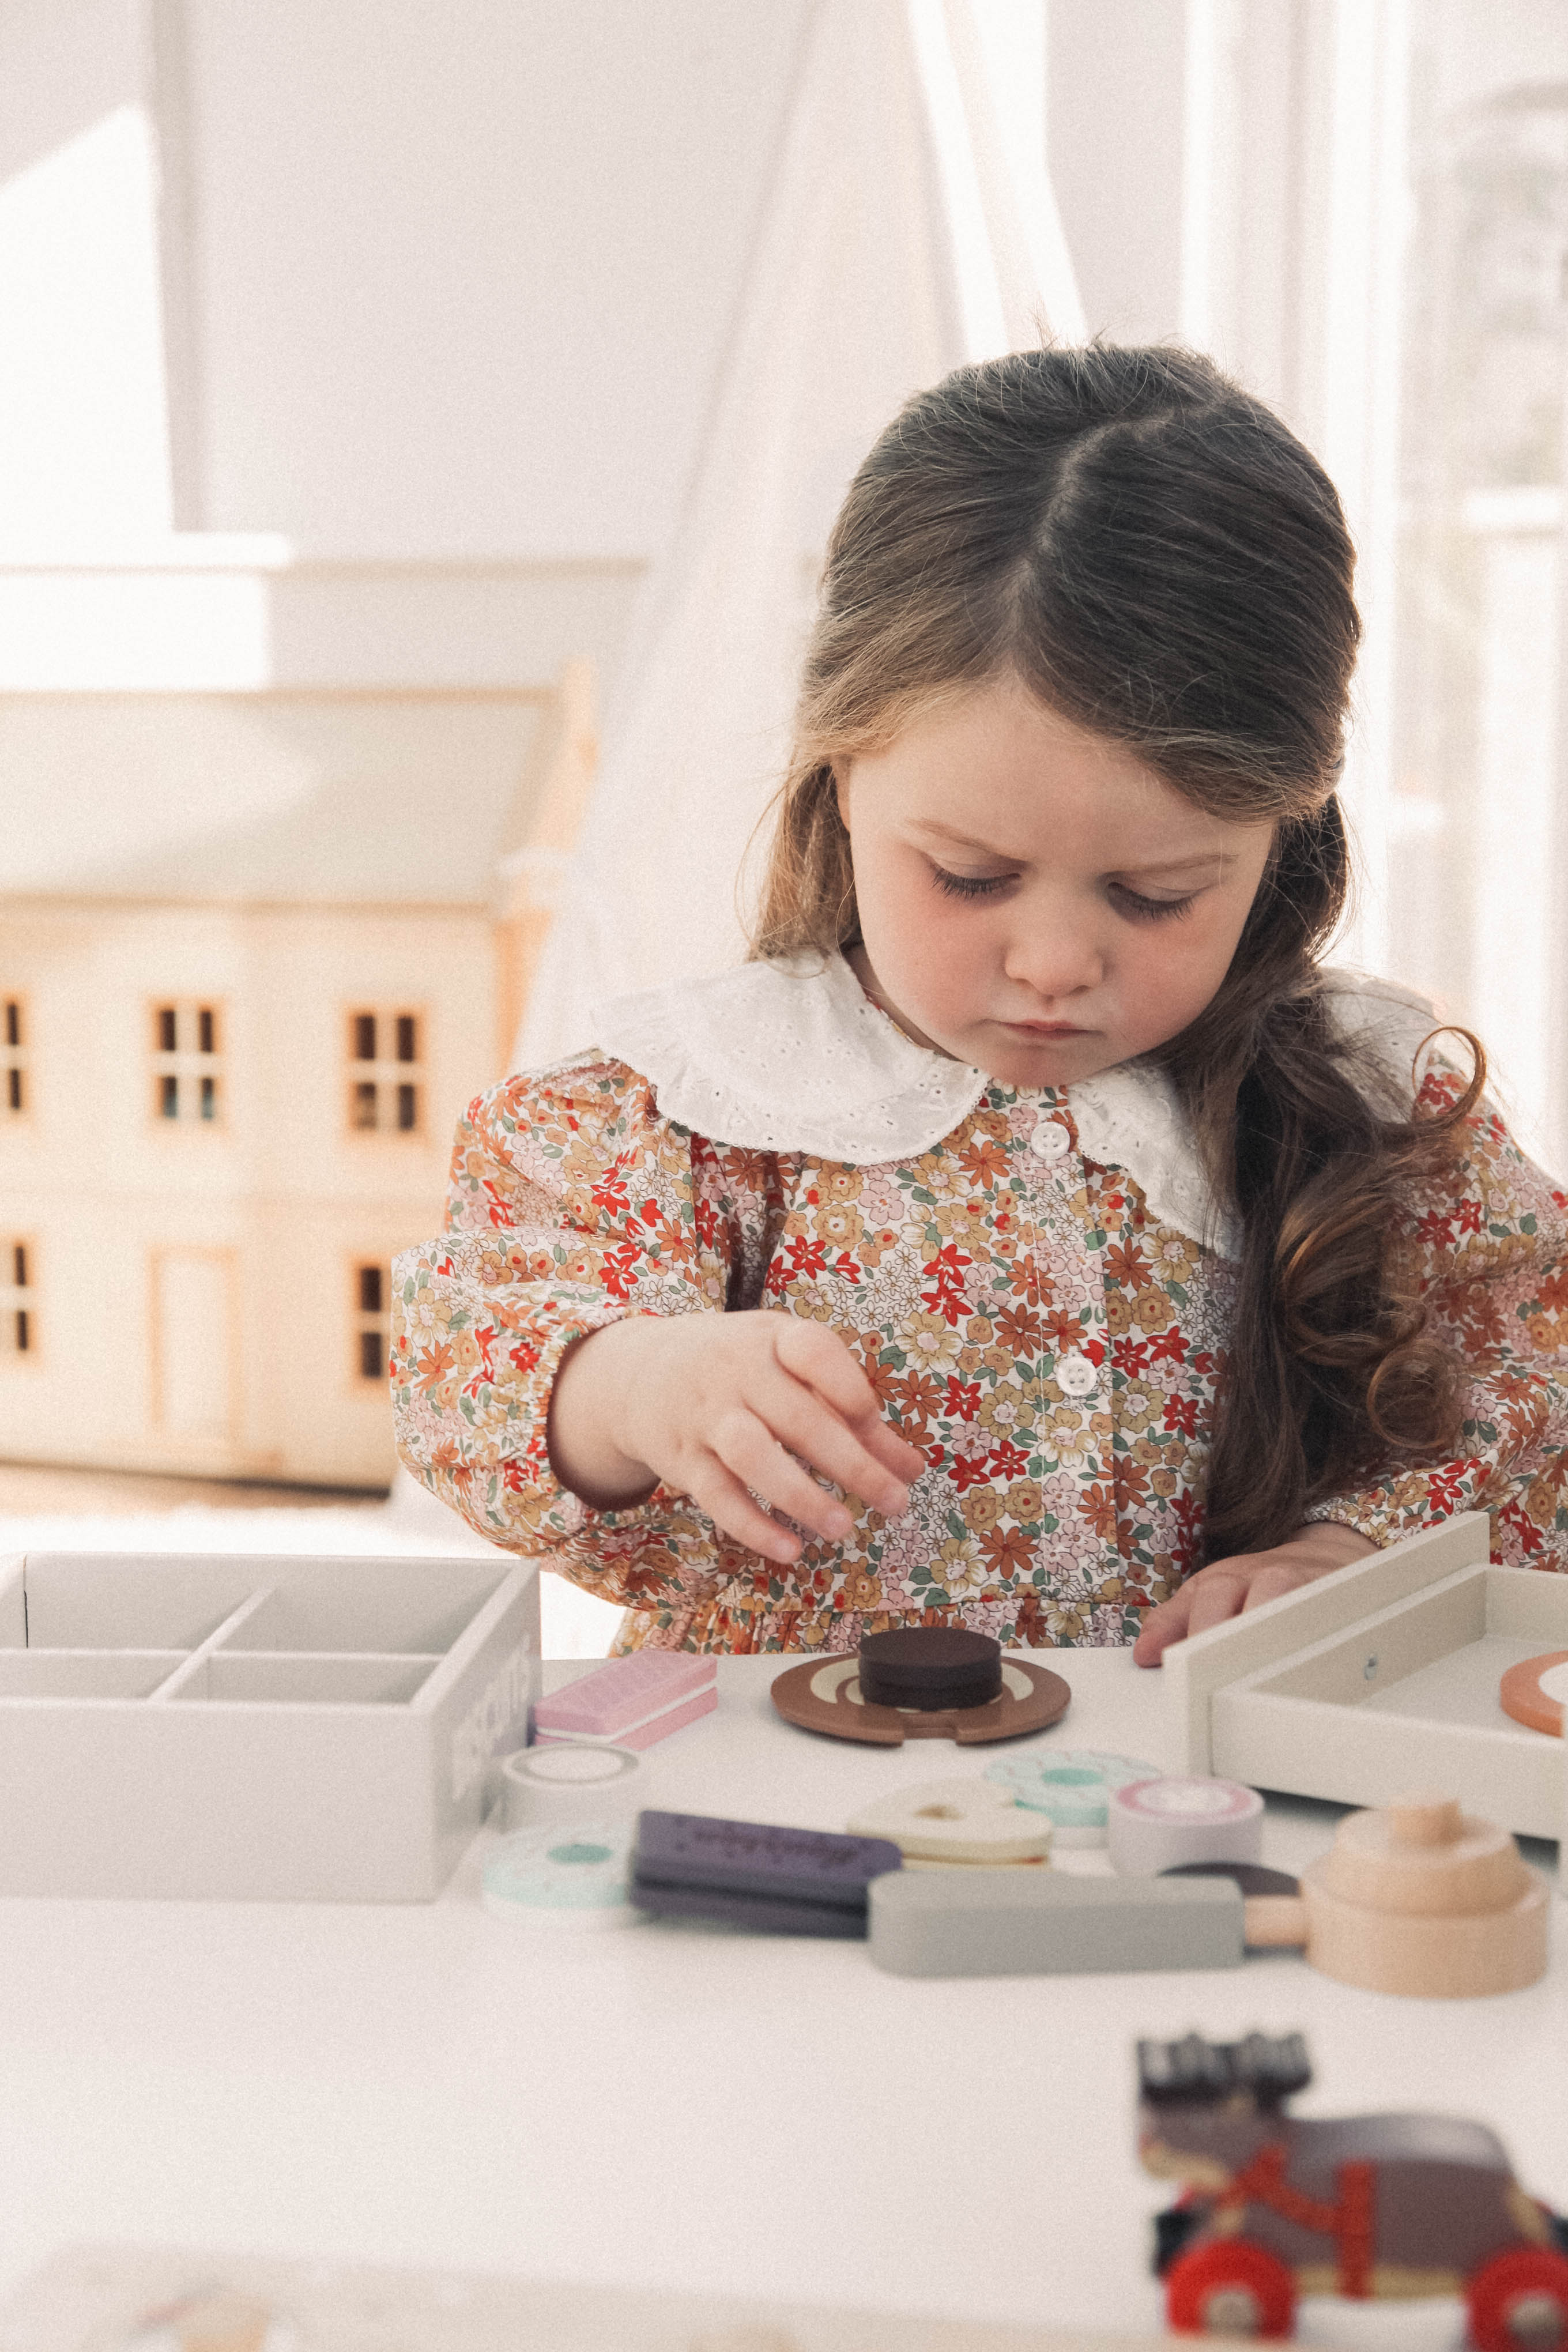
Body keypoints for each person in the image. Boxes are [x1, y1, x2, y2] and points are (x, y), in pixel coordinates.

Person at [390, 345, 1568, 1659]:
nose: (1053, 960)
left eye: (1156, 893)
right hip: (790, 1806)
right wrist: (634, 1382)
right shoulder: (707, 1101)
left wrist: (1347, 1555)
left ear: (1280, 837)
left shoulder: (1368, 1103)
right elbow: (472, 1355)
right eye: (970, 875)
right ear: (843, 776)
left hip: (1202, 1804)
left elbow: (1532, 1382)